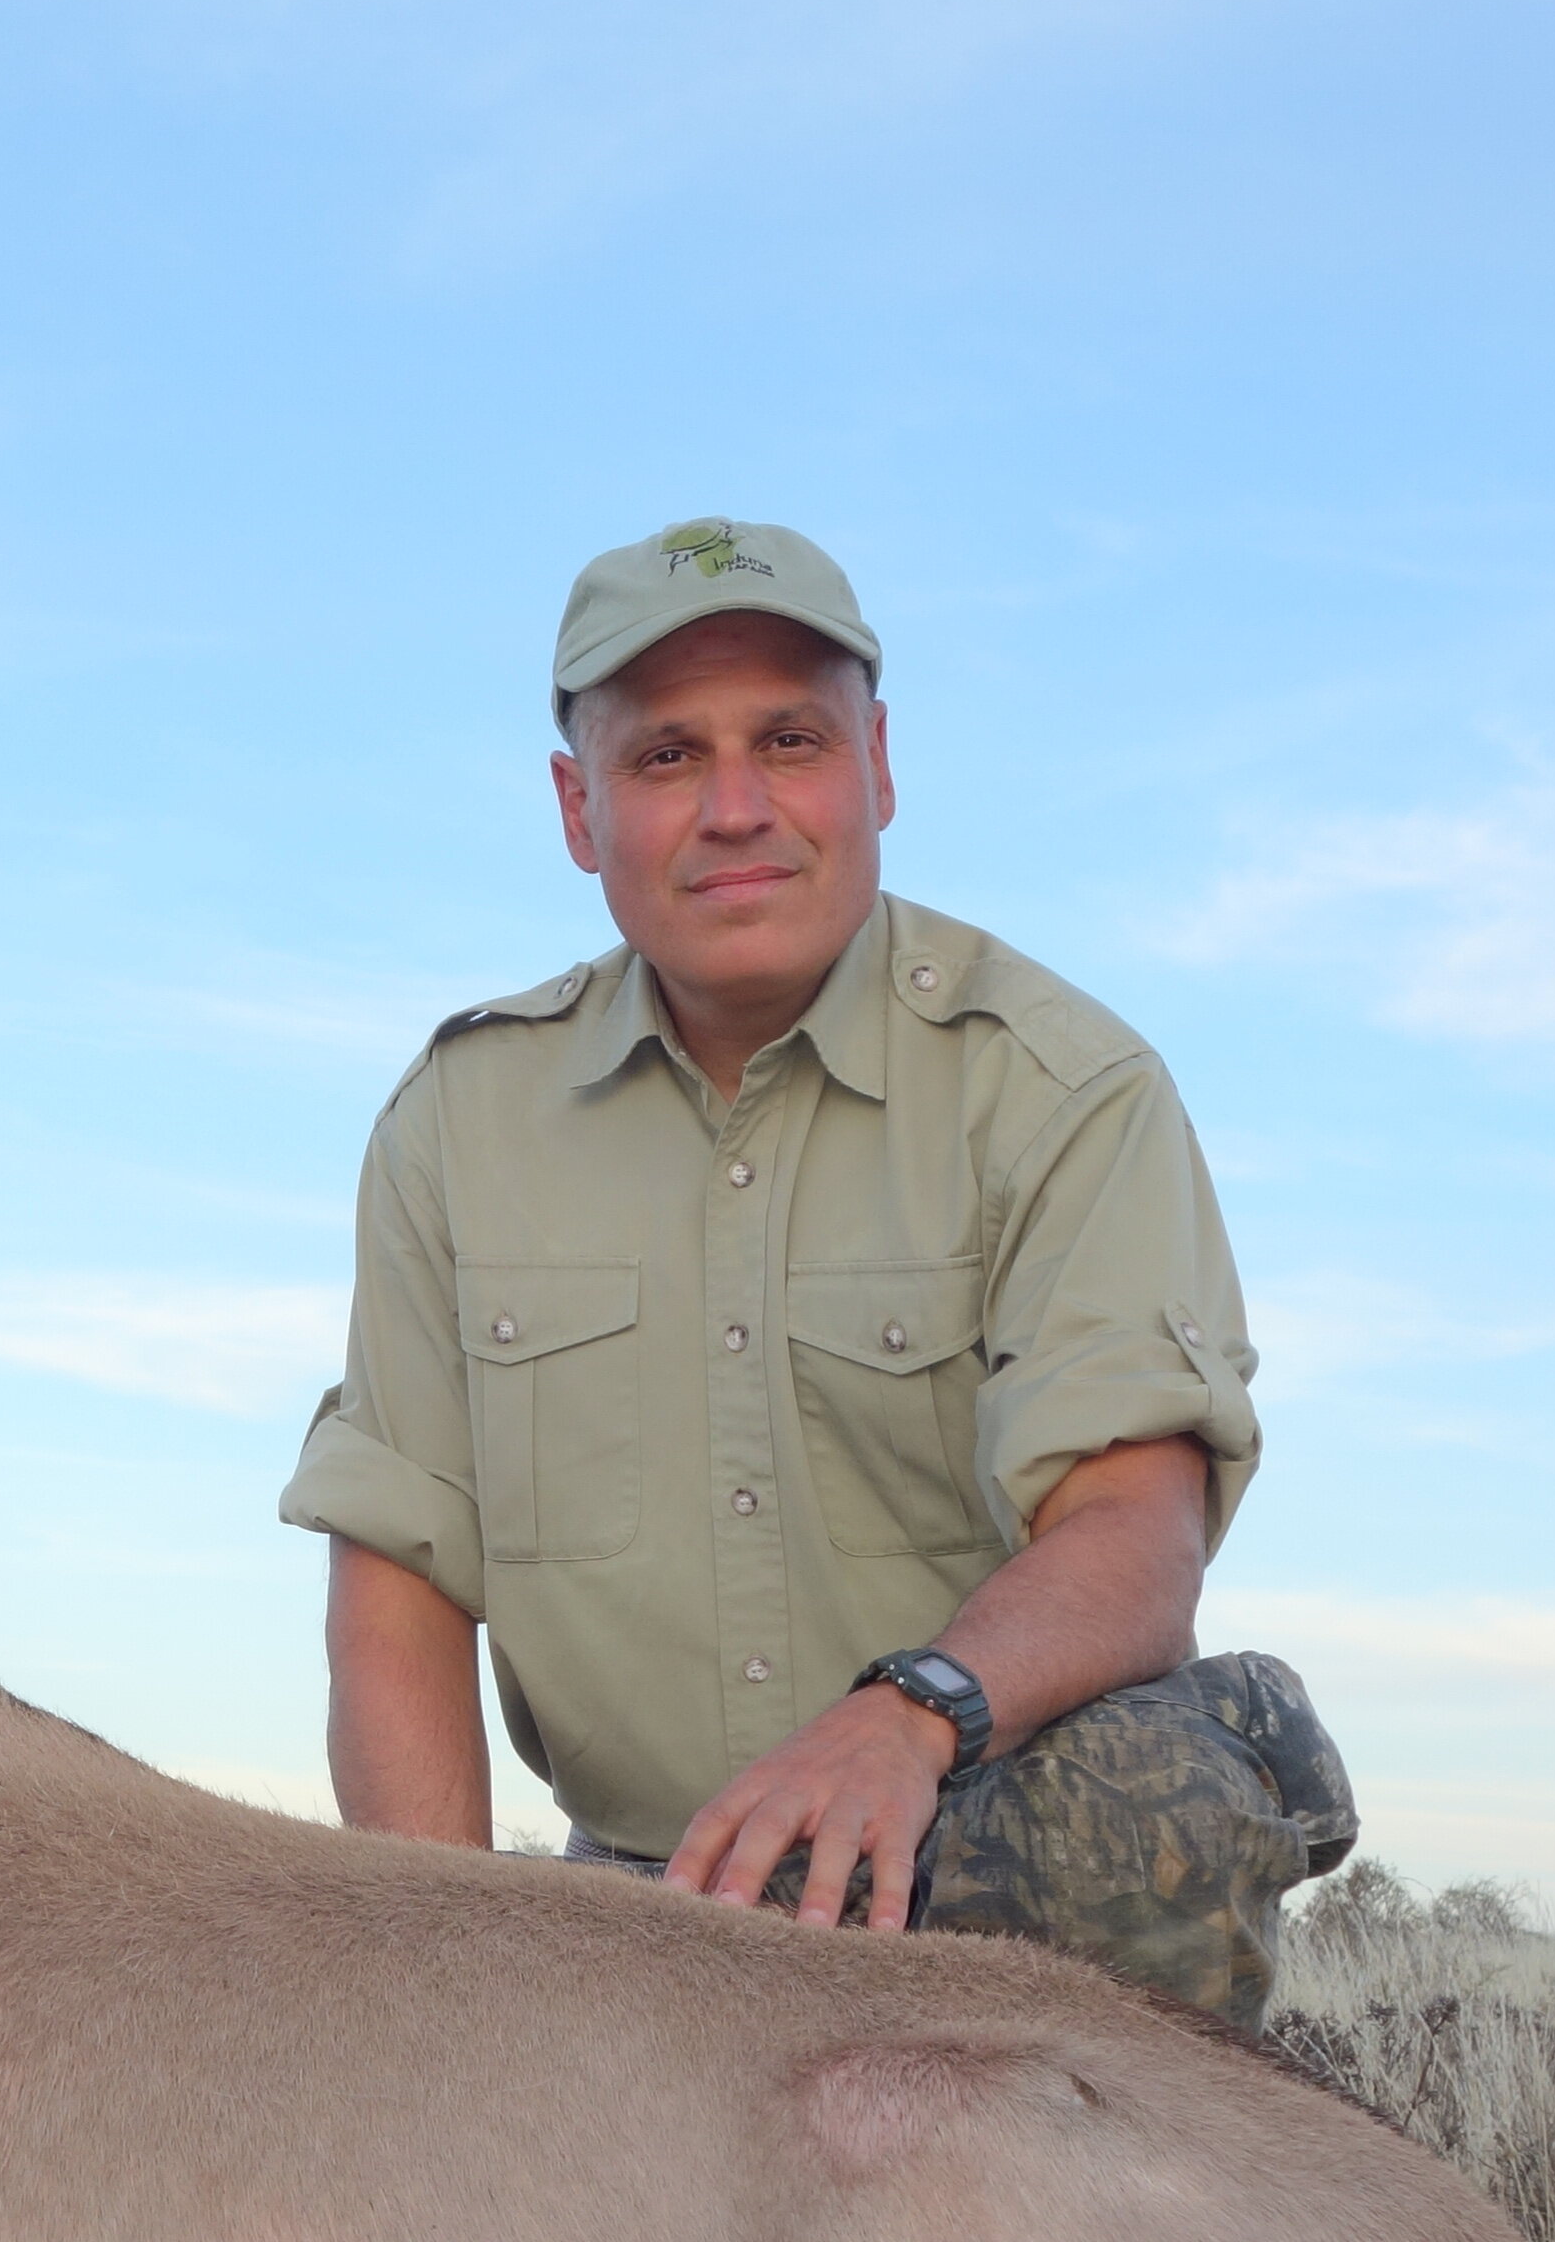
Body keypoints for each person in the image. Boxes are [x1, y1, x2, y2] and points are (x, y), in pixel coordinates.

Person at [281, 518, 1351, 2022]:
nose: (736, 808)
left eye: (790, 740)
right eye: (665, 758)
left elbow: (1136, 1529)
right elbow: (396, 1580)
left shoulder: (1062, 1087)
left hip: (960, 1832)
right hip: (647, 1890)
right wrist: (452, 1984)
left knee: (1154, 1792)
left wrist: (908, 1720)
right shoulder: (458, 1120)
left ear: (880, 770)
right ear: (578, 808)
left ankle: (1119, 2222)